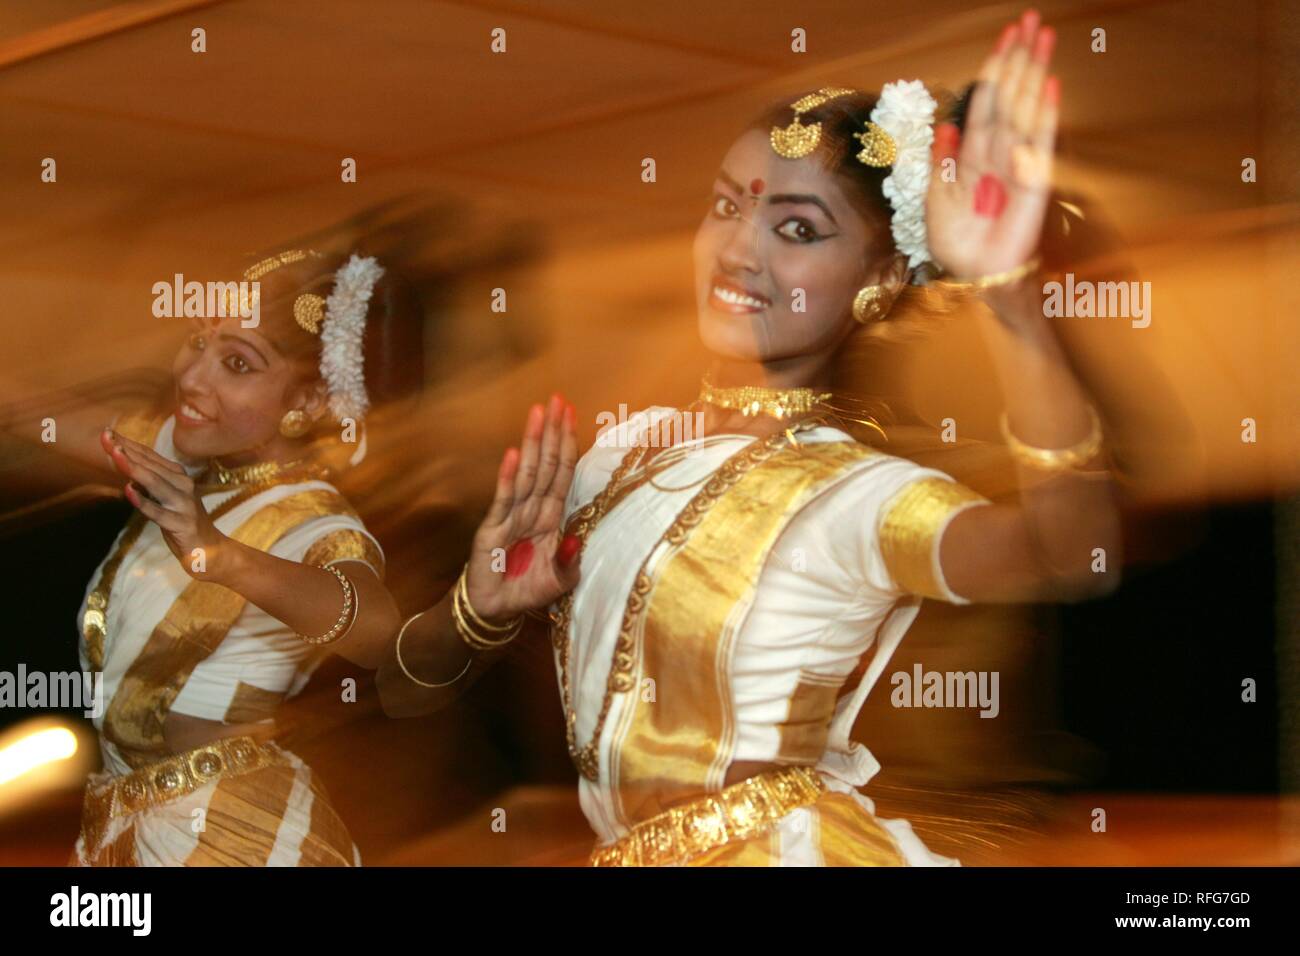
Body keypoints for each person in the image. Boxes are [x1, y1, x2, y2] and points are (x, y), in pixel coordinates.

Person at [383, 9, 1122, 866]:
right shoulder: (618, 457)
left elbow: (1072, 553)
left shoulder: (853, 494)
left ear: (881, 278)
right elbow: (407, 682)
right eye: (727, 206)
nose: (737, 249)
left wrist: (1012, 305)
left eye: (798, 229)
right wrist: (475, 612)